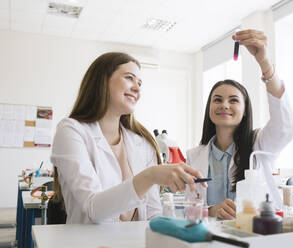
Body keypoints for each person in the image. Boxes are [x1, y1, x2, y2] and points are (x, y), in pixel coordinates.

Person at [51, 52, 204, 224]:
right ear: (102, 81)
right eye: (129, 78)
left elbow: (152, 214)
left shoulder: (142, 143)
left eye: (139, 83)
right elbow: (94, 208)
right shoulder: (71, 131)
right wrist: (150, 176)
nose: (137, 89)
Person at [186, 29, 293, 220]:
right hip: (210, 237)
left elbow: (285, 125)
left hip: (256, 234)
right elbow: (187, 208)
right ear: (209, 108)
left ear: (245, 110)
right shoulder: (194, 156)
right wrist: (210, 210)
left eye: (234, 100)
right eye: (217, 100)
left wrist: (264, 63)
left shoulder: (260, 144)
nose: (224, 105)